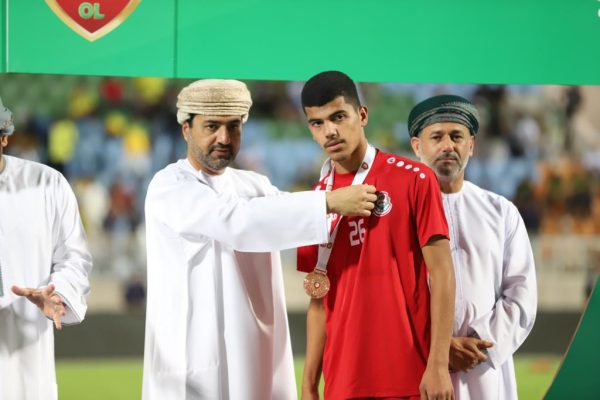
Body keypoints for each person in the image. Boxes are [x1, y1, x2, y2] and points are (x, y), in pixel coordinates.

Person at [142, 79, 378, 400]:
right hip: (192, 353)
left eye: (233, 126)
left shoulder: (254, 185)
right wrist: (328, 201)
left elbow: (288, 216)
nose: (224, 138)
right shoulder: (169, 185)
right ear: (186, 130)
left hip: (254, 350)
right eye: (211, 126)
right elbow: (238, 222)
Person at [296, 71, 456, 400]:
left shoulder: (415, 179)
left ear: (363, 115)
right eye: (317, 123)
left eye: (338, 117)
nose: (329, 131)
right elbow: (319, 299)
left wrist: (439, 364)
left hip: (410, 377)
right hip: (342, 384)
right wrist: (309, 384)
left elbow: (442, 273)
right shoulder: (314, 202)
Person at [408, 94, 537, 399]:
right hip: (419, 364)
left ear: (471, 145)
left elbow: (521, 294)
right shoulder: (400, 213)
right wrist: (439, 348)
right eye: (436, 137)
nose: (447, 146)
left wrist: (479, 344)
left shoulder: (501, 212)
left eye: (456, 136)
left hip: (484, 368)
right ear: (417, 146)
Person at [0, 97, 93, 400]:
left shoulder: (46, 184)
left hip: (26, 367)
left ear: (4, 136)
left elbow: (75, 259)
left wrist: (58, 292)